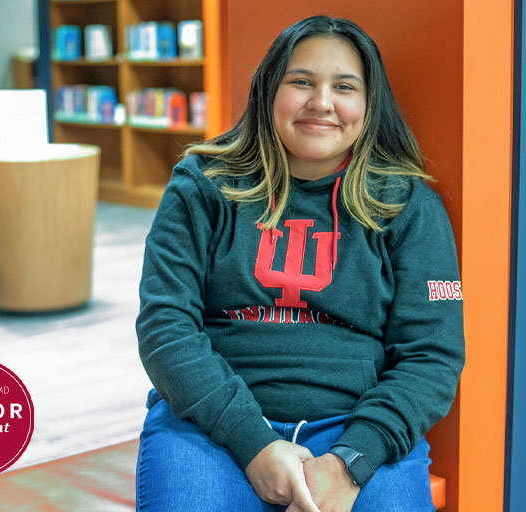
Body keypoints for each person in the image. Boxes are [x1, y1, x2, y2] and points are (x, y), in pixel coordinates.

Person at [135, 15, 464, 512]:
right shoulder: (201, 186)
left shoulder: (408, 206)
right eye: (302, 81)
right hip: (210, 422)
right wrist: (254, 444)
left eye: (344, 86)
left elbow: (432, 357)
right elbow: (165, 328)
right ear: (270, 88)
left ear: (368, 105)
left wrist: (351, 460)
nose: (322, 102)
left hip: (358, 423)